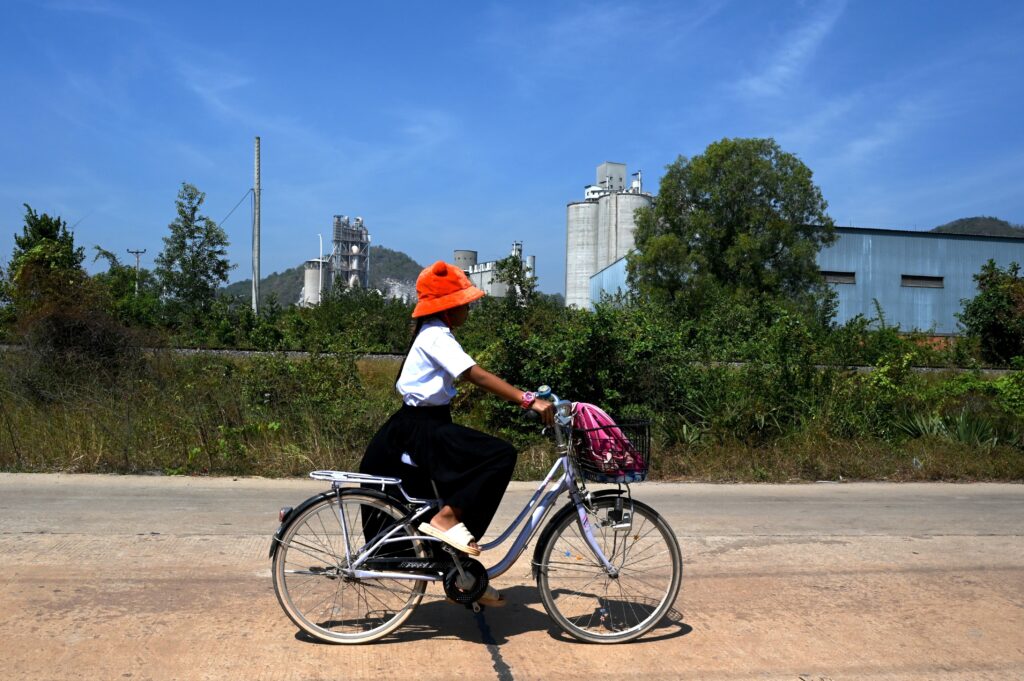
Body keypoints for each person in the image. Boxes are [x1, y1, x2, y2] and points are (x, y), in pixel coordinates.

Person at [360, 260, 554, 606]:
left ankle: (462, 574)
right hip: (421, 430)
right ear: (448, 307)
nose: (468, 307)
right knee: (499, 455)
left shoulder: (435, 332)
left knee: (455, 484)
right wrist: (528, 400)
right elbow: (473, 374)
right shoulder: (435, 335)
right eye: (464, 302)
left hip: (423, 426)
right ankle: (447, 520)